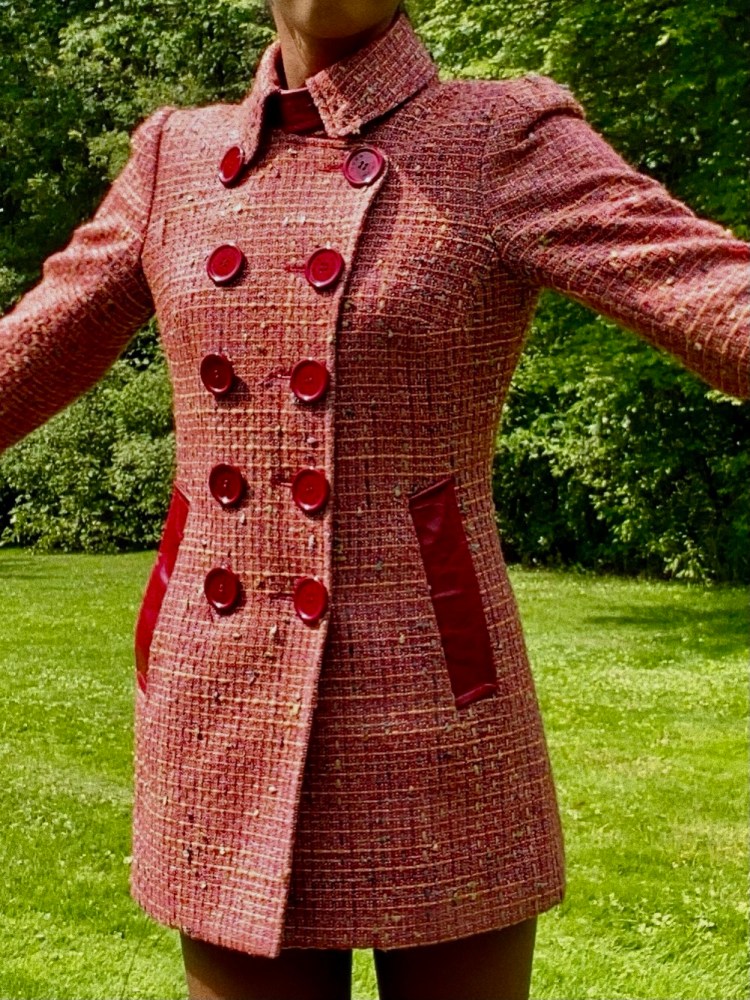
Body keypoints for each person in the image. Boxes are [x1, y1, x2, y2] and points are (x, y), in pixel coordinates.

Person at [1, 2, 748, 999]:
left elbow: (712, 294)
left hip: (434, 697)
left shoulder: (499, 136)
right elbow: (26, 356)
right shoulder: (175, 157)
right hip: (220, 696)